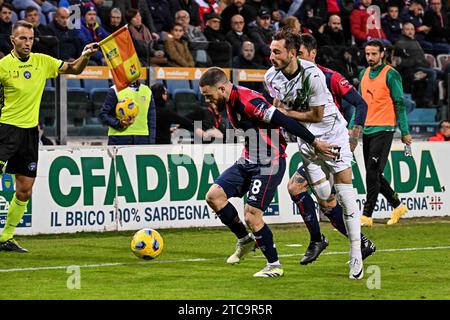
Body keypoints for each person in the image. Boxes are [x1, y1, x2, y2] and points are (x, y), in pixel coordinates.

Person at [199, 67, 335, 277]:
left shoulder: (249, 102)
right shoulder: (228, 101)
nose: (208, 100)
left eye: (209, 95)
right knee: (214, 197)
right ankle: (245, 241)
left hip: (268, 163)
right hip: (248, 160)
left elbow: (285, 120)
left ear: (222, 88)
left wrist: (314, 142)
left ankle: (274, 265)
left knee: (252, 216)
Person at [265, 28, 365, 279]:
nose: (271, 56)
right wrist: (281, 117)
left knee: (345, 196)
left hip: (332, 135)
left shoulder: (314, 75)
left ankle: (356, 253)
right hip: (306, 140)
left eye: (277, 52)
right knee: (323, 197)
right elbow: (279, 105)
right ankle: (320, 238)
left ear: (291, 53)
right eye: (270, 51)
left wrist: (284, 115)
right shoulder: (271, 77)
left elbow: (316, 115)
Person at [0, 20, 100, 252]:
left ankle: (6, 236)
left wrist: (84, 55)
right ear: (12, 39)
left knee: (25, 189)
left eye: (31, 38)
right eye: (23, 38)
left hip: (29, 134)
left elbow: (74, 69)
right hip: (5, 130)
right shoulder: (3, 66)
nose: (27, 43)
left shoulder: (42, 62)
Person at [284, 33, 375, 266]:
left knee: (302, 189)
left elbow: (360, 104)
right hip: (313, 146)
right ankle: (357, 243)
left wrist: (355, 134)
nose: (296, 60)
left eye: (300, 55)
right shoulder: (291, 79)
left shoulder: (329, 77)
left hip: (333, 145)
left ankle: (322, 240)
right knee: (322, 200)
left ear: (312, 54)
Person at [357, 40, 412, 227]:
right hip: (367, 128)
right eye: (367, 54)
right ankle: (397, 205)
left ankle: (366, 215)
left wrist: (405, 131)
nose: (370, 57)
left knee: (372, 172)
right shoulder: (363, 74)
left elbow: (400, 103)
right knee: (374, 174)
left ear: (382, 53)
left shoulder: (391, 74)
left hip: (385, 128)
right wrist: (353, 126)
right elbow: (360, 104)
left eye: (374, 54)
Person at [98, 81, 156, 145]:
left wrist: (151, 141)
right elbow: (103, 114)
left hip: (143, 138)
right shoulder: (115, 89)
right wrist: (119, 123)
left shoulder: (147, 91)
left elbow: (152, 120)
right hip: (119, 138)